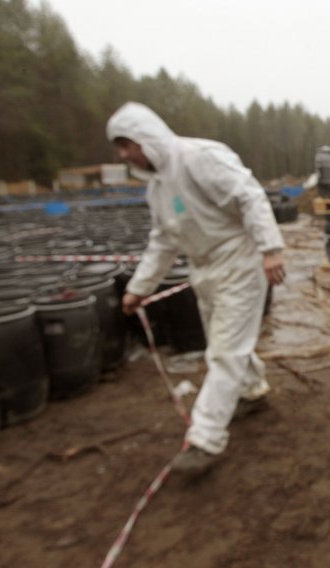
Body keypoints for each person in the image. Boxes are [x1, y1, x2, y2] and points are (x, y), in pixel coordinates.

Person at [107, 102, 286, 475]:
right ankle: (252, 392)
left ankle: (205, 439)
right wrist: (139, 288)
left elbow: (249, 195)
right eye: (118, 148)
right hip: (204, 269)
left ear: (145, 136)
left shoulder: (199, 158)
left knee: (224, 350)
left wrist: (271, 249)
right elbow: (163, 240)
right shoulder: (157, 187)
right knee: (226, 342)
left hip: (238, 260)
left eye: (127, 145)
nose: (124, 155)